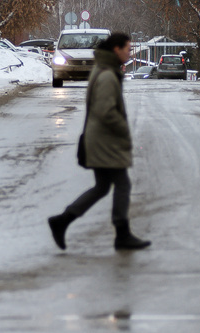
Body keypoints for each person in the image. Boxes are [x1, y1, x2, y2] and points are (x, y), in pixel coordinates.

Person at [48, 32, 151, 251]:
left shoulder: (105, 69)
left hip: (99, 138)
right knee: (122, 184)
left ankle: (62, 221)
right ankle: (122, 234)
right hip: (106, 140)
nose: (130, 53)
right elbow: (106, 111)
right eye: (128, 49)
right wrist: (123, 130)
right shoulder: (107, 75)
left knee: (103, 187)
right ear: (116, 49)